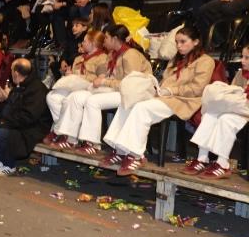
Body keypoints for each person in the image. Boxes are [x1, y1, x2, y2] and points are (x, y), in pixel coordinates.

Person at [102, 26, 214, 176]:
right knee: (129, 101)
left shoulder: (206, 61)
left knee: (142, 108)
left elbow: (198, 88)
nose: (179, 45)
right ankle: (121, 150)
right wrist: (158, 87)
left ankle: (135, 155)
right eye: (177, 42)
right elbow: (167, 79)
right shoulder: (177, 59)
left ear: (196, 42)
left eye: (183, 42)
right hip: (165, 96)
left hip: (184, 100)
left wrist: (171, 90)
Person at [51, 25, 152, 154]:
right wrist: (103, 78)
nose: (104, 41)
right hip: (115, 89)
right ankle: (70, 138)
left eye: (107, 38)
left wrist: (105, 81)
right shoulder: (113, 54)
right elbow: (113, 76)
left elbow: (131, 85)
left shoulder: (130, 54)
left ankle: (92, 143)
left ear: (115, 39)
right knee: (75, 96)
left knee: (92, 101)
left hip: (133, 93)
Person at [0, 59, 52, 177]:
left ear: (16, 73)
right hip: (15, 123)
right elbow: (8, 112)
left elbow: (28, 117)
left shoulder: (37, 89)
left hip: (31, 128)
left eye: (11, 70)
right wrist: (0, 101)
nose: (10, 73)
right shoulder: (18, 86)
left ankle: (9, 165)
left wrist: (1, 124)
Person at [185, 44, 249, 179]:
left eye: (247, 58)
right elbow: (232, 93)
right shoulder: (240, 73)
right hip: (236, 108)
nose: (242, 61)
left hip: (244, 113)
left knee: (226, 119)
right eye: (242, 57)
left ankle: (223, 163)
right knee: (210, 114)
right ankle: (202, 158)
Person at [44, 30, 109, 141]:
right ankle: (69, 129)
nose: (81, 44)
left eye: (84, 41)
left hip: (90, 88)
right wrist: (69, 74)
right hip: (75, 86)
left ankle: (63, 133)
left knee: (70, 99)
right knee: (52, 97)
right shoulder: (79, 58)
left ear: (93, 43)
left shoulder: (103, 58)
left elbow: (101, 78)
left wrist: (80, 77)